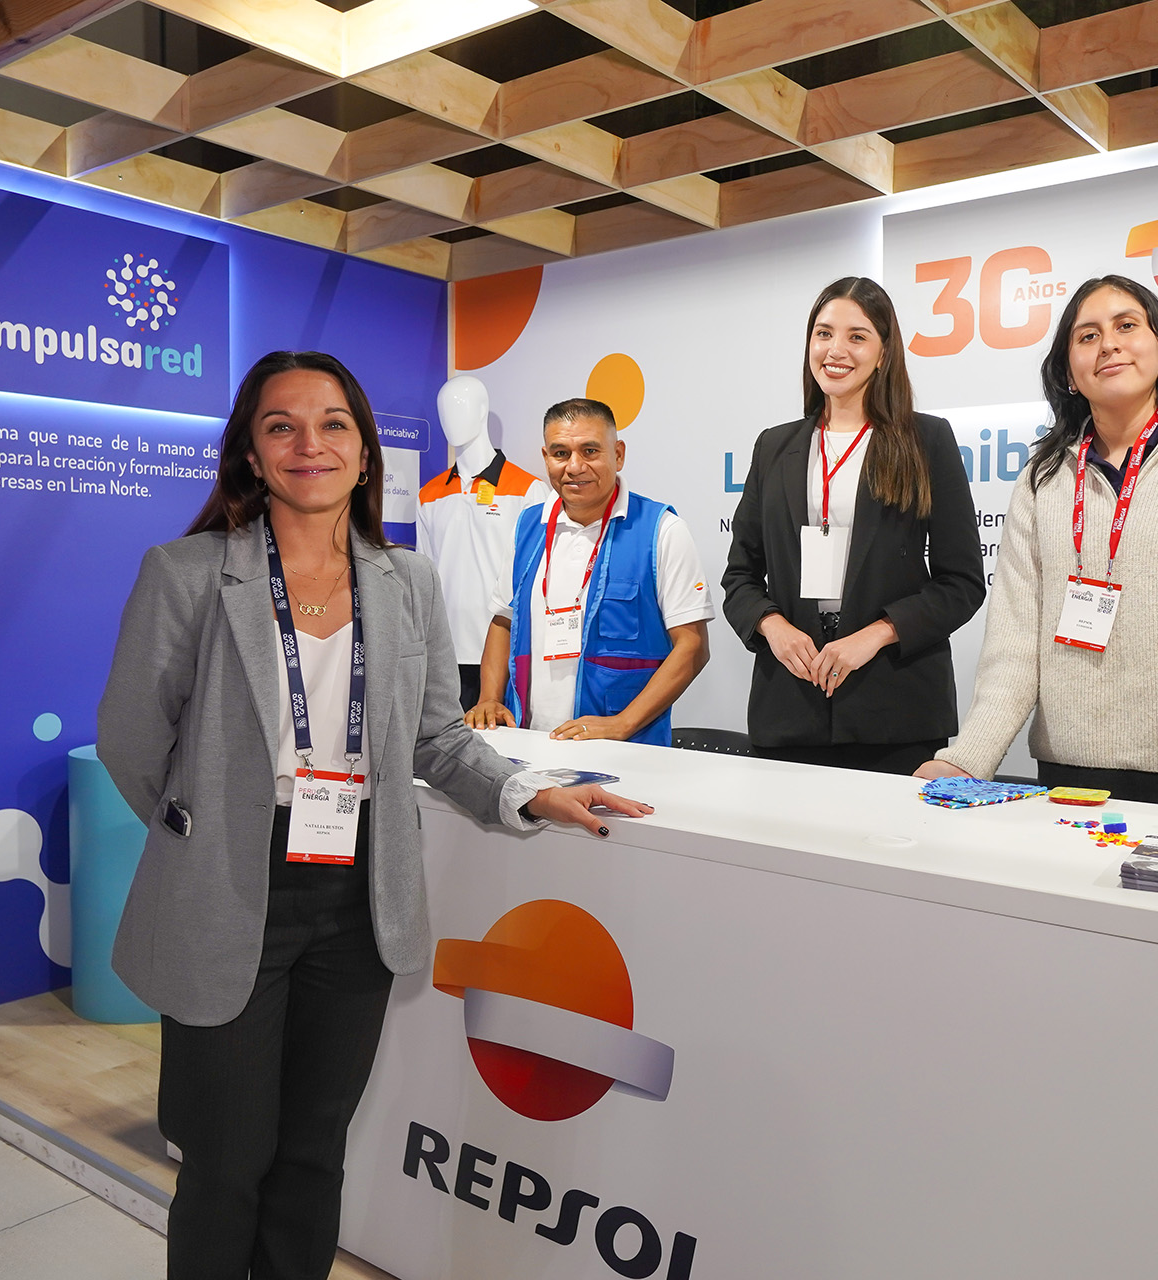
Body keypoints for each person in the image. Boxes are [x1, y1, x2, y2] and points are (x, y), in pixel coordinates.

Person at [96, 351, 650, 1280]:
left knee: (313, 1155)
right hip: (228, 889)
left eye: (333, 425)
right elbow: (131, 738)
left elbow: (436, 736)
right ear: (251, 453)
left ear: (363, 453)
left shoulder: (406, 583)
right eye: (281, 426)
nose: (309, 444)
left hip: (358, 896)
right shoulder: (187, 574)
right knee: (225, 1162)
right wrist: (209, 828)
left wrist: (526, 791)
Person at [915, 274, 1158, 820]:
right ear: (1069, 373)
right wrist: (968, 759)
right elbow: (1016, 635)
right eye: (1087, 336)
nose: (1109, 344)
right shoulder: (1044, 475)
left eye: (1127, 326)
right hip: (1071, 768)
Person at [722, 276, 985, 775]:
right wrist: (773, 627)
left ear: (884, 353)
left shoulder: (926, 439)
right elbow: (740, 577)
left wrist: (877, 635)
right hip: (791, 704)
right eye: (823, 334)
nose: (835, 350)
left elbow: (962, 582)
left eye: (857, 336)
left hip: (895, 705)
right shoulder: (773, 446)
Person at [465, 398, 711, 745]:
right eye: (560, 453)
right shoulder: (528, 527)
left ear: (618, 455)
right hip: (528, 742)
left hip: (623, 750)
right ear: (546, 457)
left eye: (590, 451)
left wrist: (622, 724)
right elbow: (503, 621)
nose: (574, 466)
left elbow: (693, 646)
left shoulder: (661, 530)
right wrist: (489, 698)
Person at [414, 374, 552, 711]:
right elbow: (423, 579)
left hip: (504, 652)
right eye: (443, 411)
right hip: (444, 654)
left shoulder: (529, 491)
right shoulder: (428, 495)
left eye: (459, 407)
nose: (449, 419)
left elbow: (537, 579)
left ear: (482, 411)